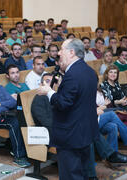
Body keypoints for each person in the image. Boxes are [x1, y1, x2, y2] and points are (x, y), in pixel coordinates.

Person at [37, 39, 99, 179]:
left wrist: (49, 92)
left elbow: (63, 103)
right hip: (84, 131)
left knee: (70, 174)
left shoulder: (72, 75)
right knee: (82, 172)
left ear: (72, 52)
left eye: (62, 49)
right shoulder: (89, 71)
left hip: (70, 133)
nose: (59, 52)